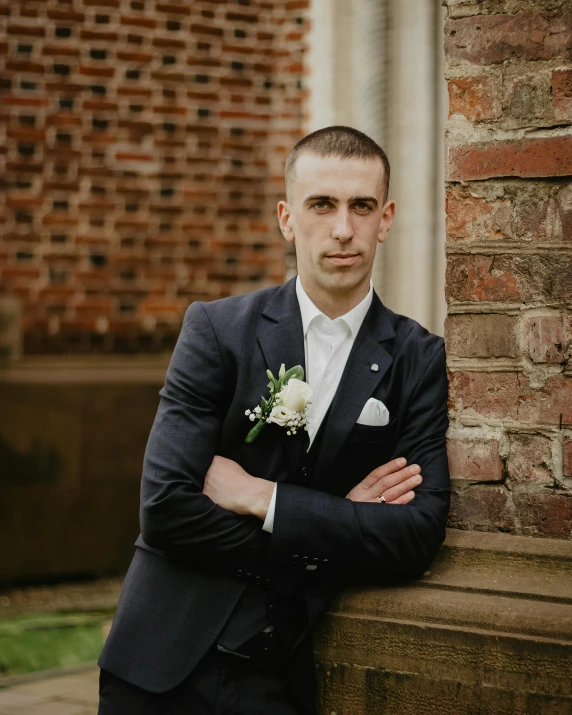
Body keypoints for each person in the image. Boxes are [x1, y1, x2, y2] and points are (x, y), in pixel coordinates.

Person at [97, 126, 450, 714]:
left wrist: (264, 499)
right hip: (160, 664)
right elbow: (165, 510)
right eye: (322, 205)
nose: (343, 229)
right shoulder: (217, 330)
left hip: (283, 676)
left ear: (385, 219)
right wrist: (337, 527)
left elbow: (416, 535)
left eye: (361, 206)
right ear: (287, 217)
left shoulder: (417, 358)